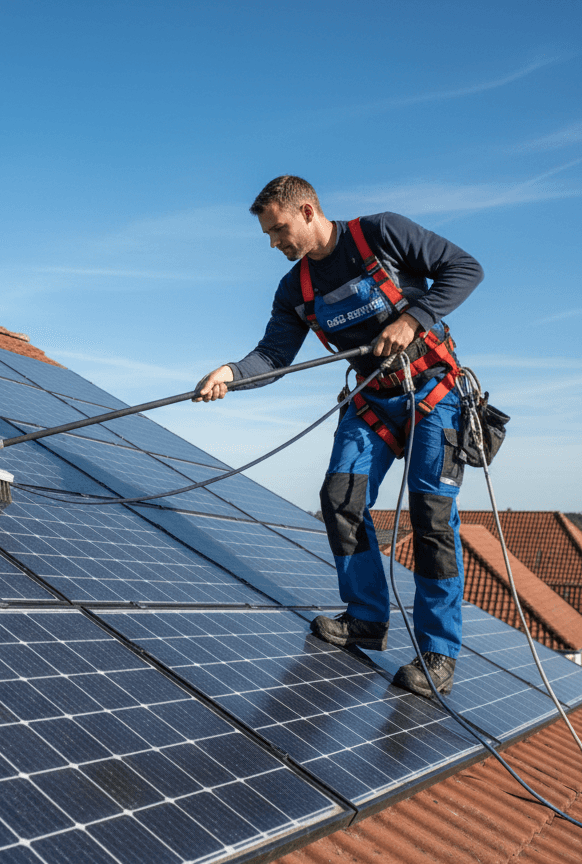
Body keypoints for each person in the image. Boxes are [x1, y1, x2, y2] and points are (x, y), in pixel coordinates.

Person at [195, 175, 483, 698]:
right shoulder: (295, 290)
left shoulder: (382, 234)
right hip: (373, 405)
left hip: (434, 395)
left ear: (307, 211)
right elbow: (273, 357)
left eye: (278, 229)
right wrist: (231, 373)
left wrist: (415, 318)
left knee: (431, 519)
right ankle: (366, 619)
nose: (274, 242)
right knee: (340, 499)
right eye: (267, 235)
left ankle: (438, 652)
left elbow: (466, 269)